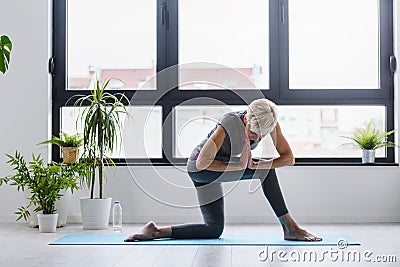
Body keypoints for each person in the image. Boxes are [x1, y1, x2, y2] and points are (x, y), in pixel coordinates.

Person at [125, 98, 322, 242]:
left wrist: (256, 165)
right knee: (267, 172)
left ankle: (156, 231)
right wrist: (240, 165)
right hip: (199, 168)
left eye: (261, 135)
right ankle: (290, 228)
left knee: (213, 229)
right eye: (253, 133)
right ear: (246, 120)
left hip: (219, 169)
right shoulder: (230, 122)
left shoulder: (269, 122)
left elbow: (289, 158)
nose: (256, 139)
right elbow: (202, 162)